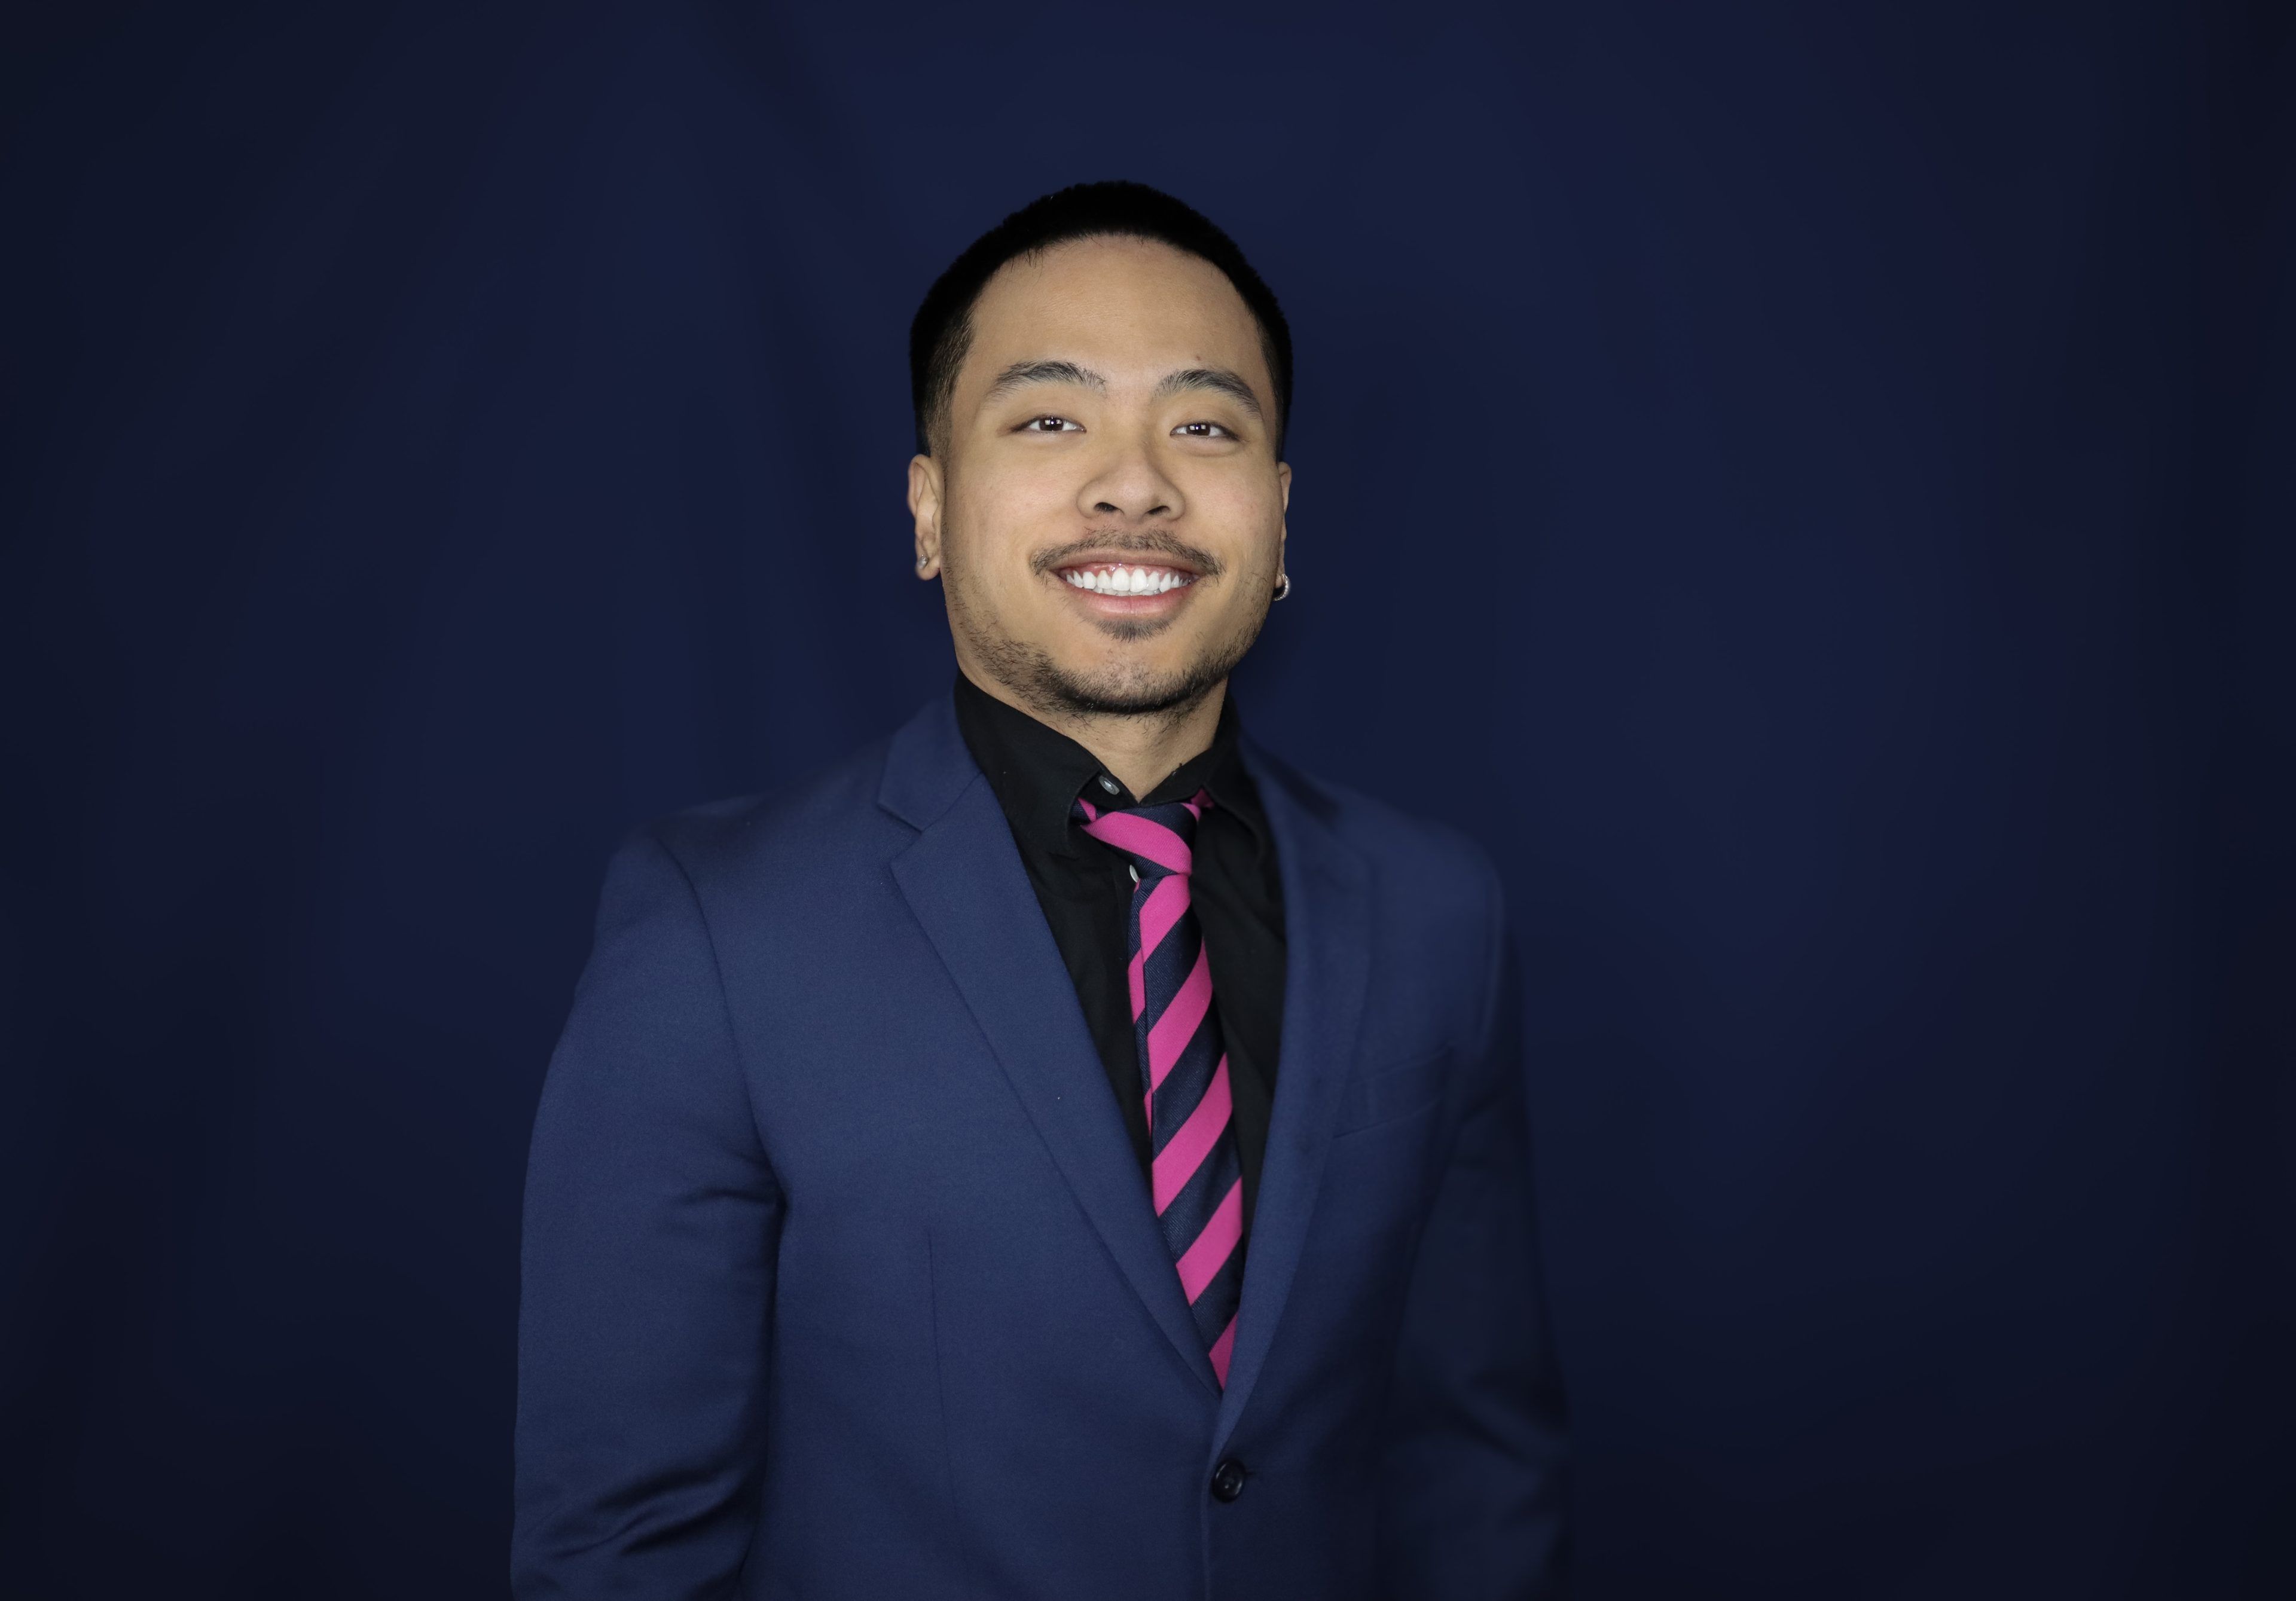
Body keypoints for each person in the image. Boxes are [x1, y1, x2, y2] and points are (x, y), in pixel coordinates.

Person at [512, 180, 1570, 1599]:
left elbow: (1475, 1467)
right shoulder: (715, 928)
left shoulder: (1440, 912)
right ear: (930, 507)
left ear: (1279, 509)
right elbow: (617, 1551)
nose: (1135, 483)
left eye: (1205, 424)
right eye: (1050, 418)